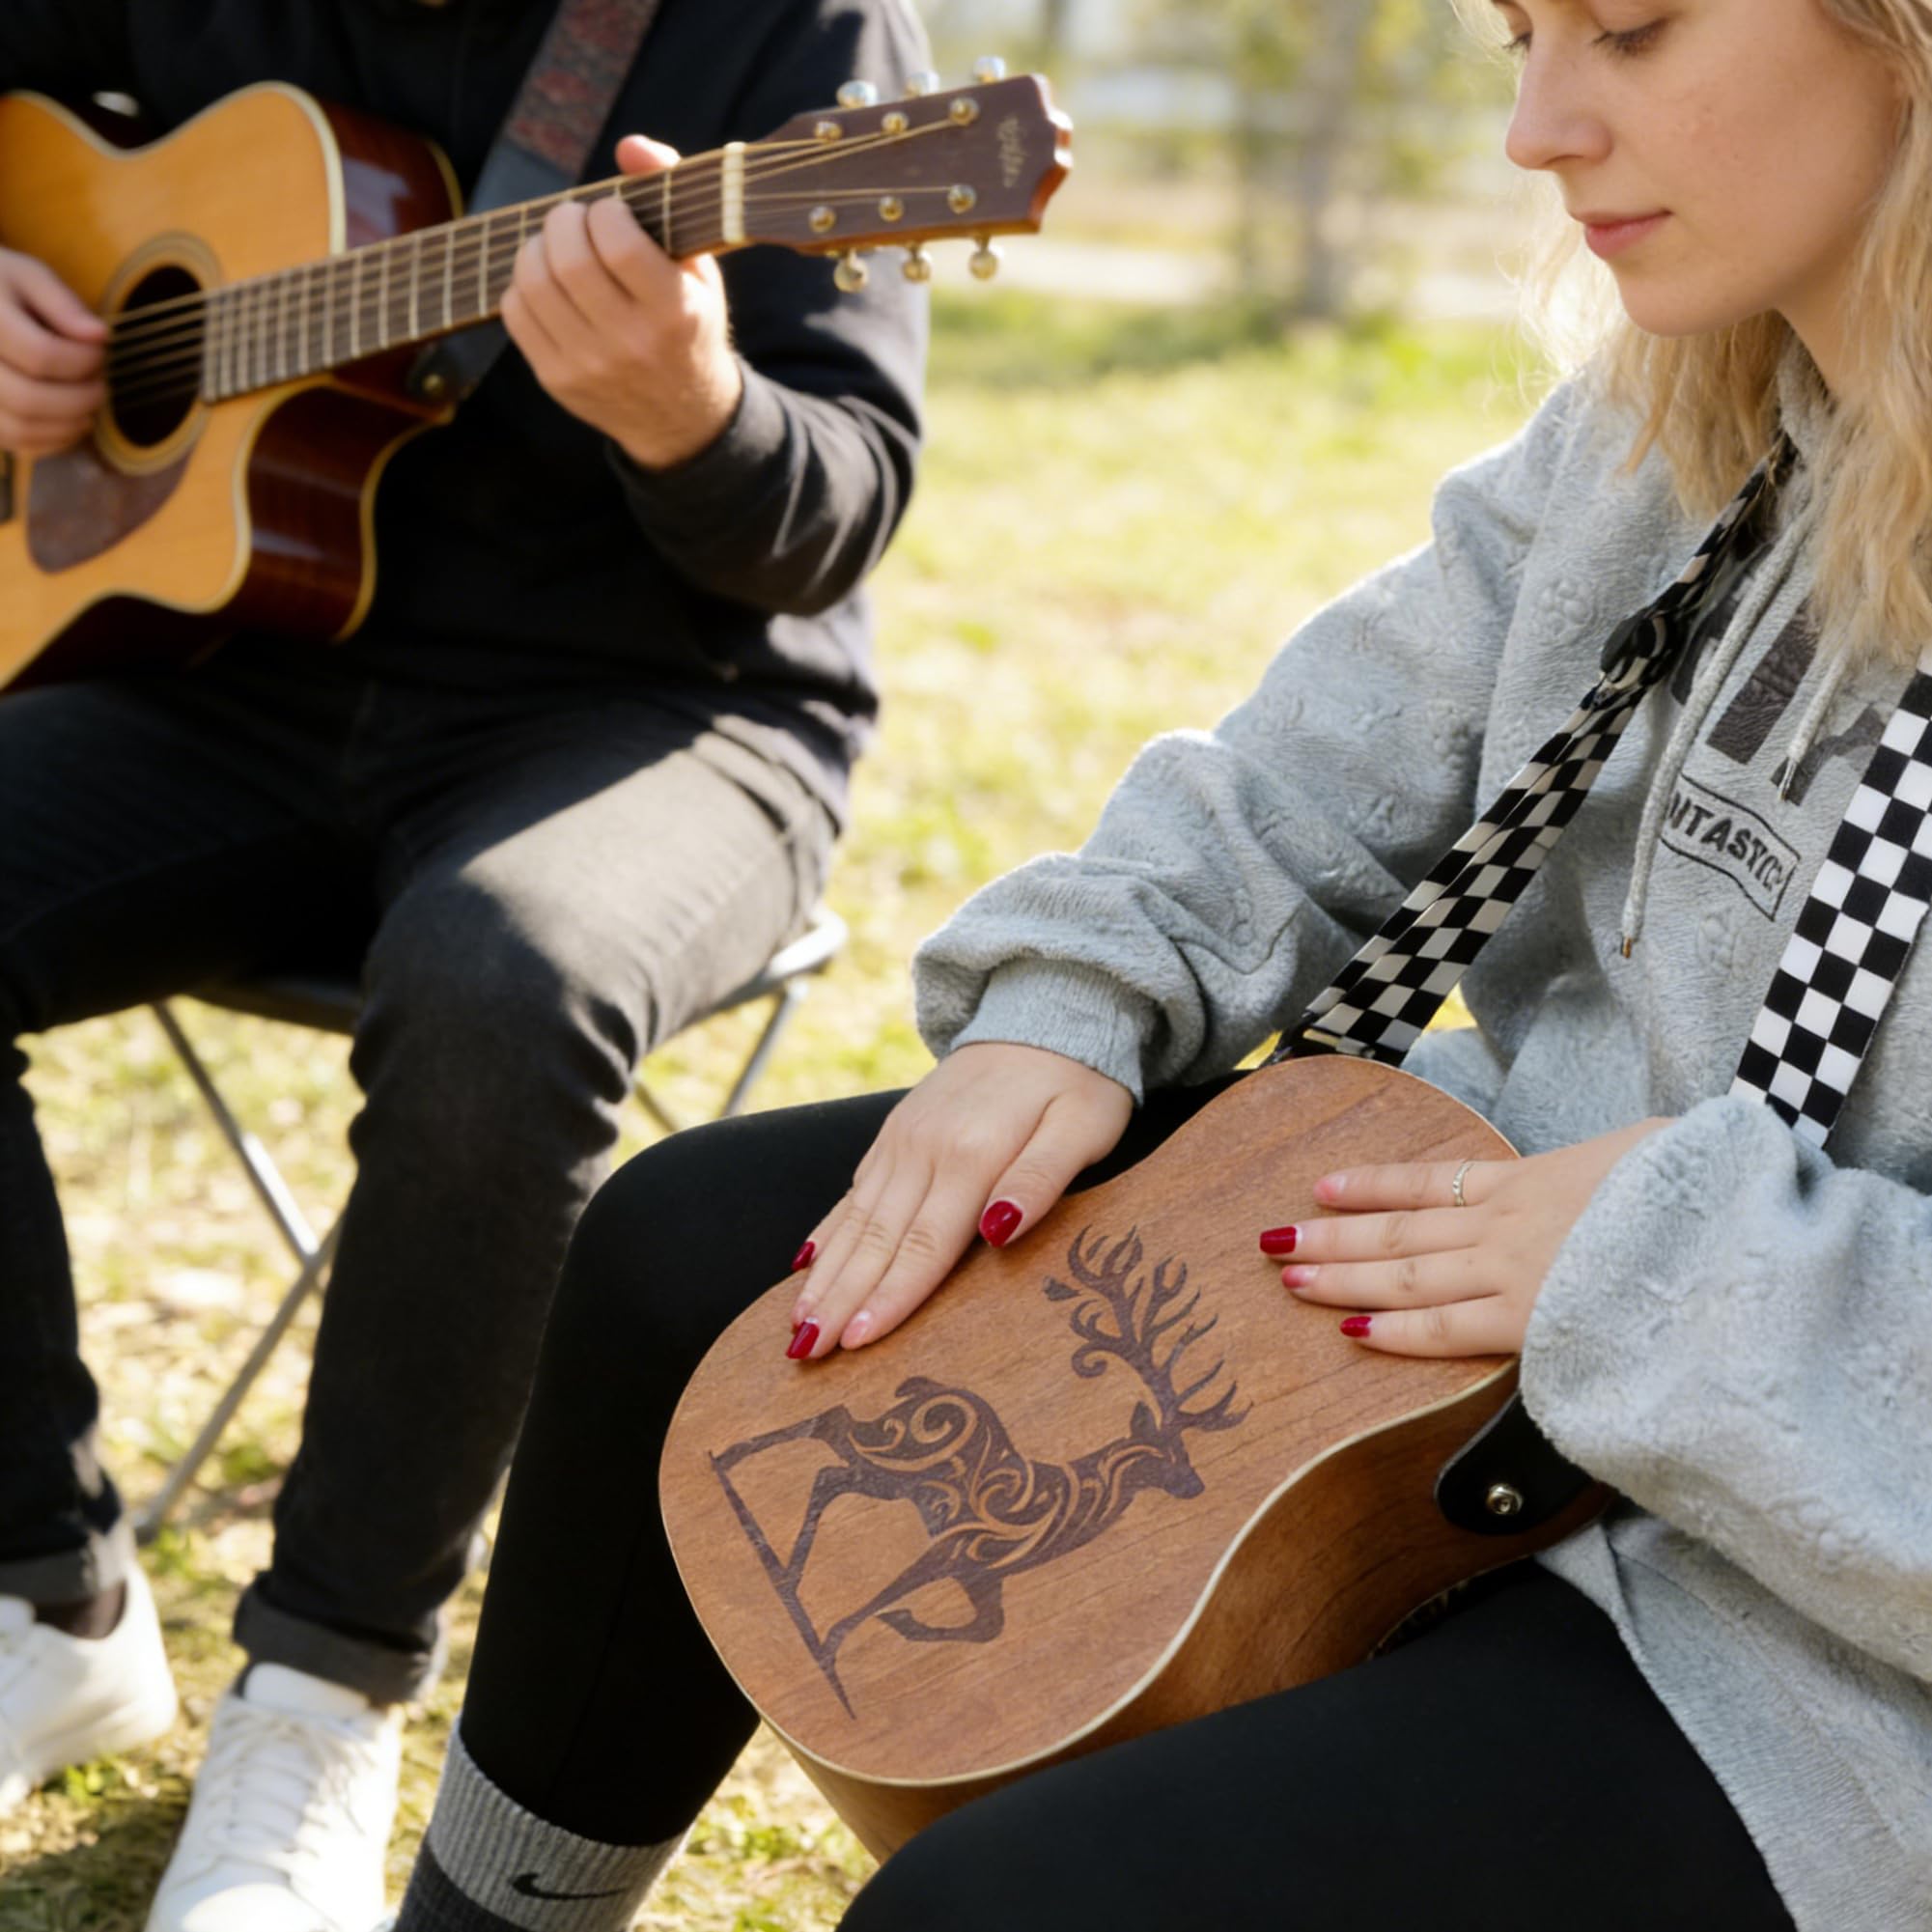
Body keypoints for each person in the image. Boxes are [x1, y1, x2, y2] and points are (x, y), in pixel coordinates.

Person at [388, 0, 1930, 1928]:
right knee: (686, 1263)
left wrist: (1665, 1258)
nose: (1536, 129)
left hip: (1818, 1630)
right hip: (1450, 1299)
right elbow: (1322, 750)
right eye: (1520, 35)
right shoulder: (1686, 399)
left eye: (1622, 29)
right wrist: (1079, 1002)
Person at [0, 1, 928, 1927]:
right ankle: (42, 1585)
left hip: (665, 705)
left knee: (502, 988)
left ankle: (322, 1689)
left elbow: (834, 503)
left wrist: (692, 408)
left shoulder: (795, 33)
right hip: (227, 657)